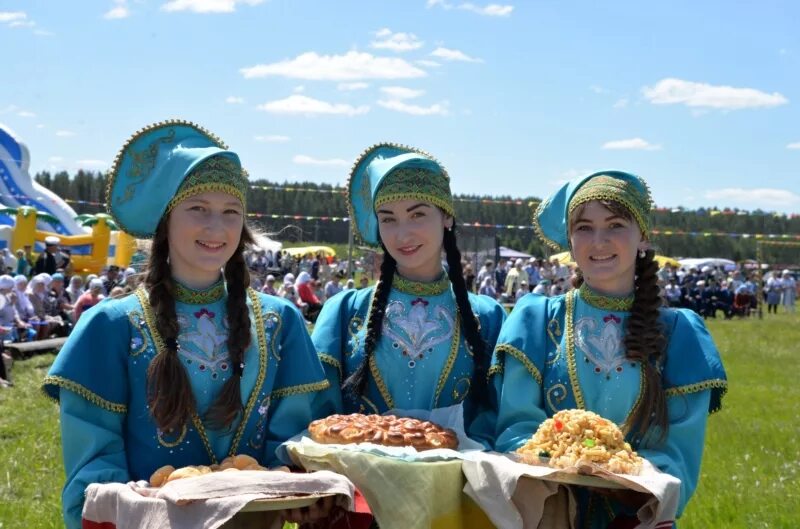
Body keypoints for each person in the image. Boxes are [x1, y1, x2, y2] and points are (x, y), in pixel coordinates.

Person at [42, 120, 331, 529]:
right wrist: (130, 499)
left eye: (231, 212)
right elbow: (93, 465)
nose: (217, 227)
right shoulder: (109, 326)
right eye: (198, 209)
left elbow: (291, 443)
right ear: (165, 219)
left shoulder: (279, 322)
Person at [491, 171, 727, 528]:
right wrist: (560, 462)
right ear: (569, 241)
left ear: (643, 237)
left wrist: (628, 478)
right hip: (546, 515)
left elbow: (679, 453)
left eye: (615, 225)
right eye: (584, 228)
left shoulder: (678, 332)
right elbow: (516, 427)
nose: (598, 241)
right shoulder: (536, 320)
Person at [311, 142, 506, 444]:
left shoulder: (488, 317)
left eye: (417, 215)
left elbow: (497, 414)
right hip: (358, 483)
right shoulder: (344, 311)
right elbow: (319, 415)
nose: (403, 234)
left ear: (447, 217)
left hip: (456, 483)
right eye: (388, 219)